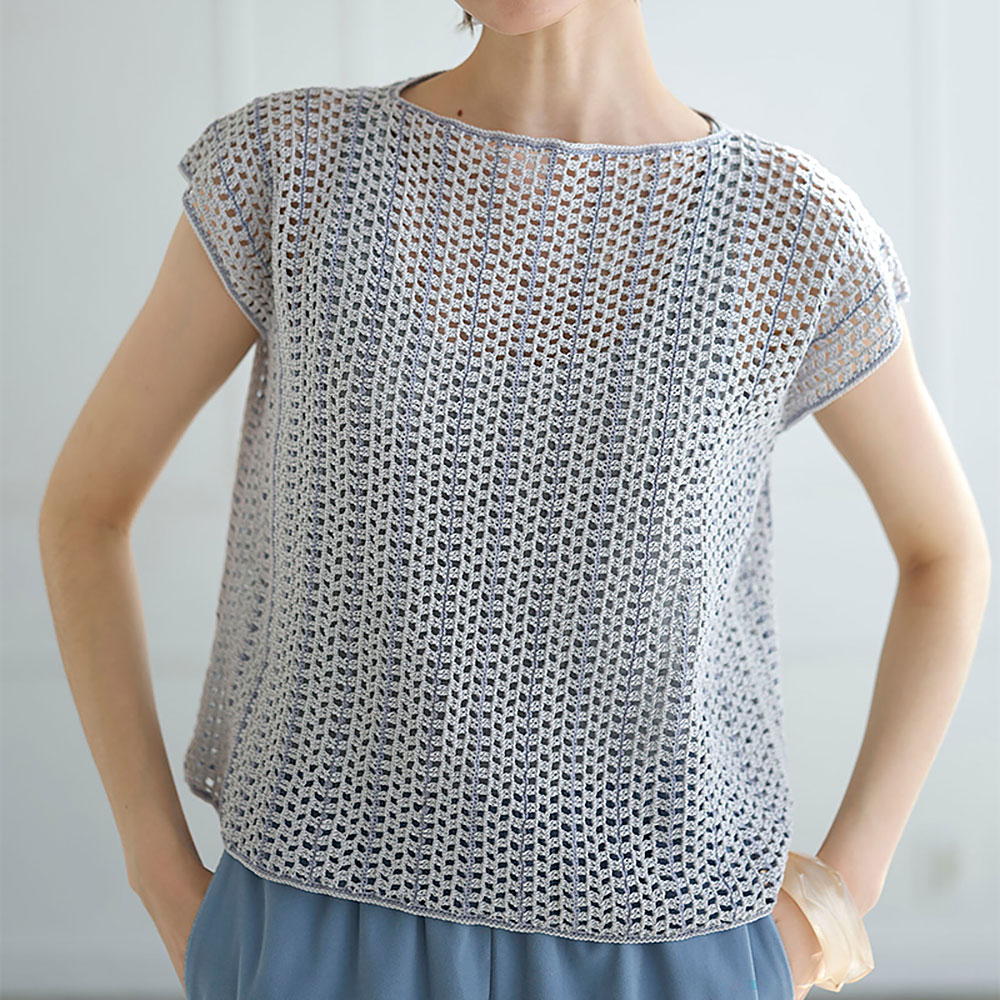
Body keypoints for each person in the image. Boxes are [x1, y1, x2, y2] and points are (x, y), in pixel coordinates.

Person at [38, 1, 991, 998]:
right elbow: (85, 511)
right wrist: (160, 875)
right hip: (316, 933)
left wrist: (837, 898)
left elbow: (946, 554)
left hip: (671, 944)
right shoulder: (294, 168)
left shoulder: (784, 228)